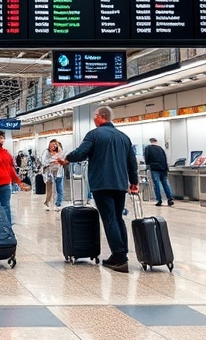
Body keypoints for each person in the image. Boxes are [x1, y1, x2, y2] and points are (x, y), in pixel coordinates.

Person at [59, 106, 139, 273]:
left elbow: (81, 153)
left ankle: (119, 257)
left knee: (109, 219)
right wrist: (134, 181)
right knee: (118, 218)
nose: (94, 119)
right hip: (120, 184)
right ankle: (122, 253)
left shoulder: (94, 134)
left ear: (101, 117)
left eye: (95, 116)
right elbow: (132, 162)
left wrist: (67, 159)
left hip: (102, 183)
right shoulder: (124, 137)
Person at [144, 138, 173, 207]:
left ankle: (159, 200)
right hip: (163, 169)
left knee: (156, 185)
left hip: (154, 168)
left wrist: (148, 165)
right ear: (156, 142)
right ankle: (170, 198)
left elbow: (147, 158)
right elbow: (165, 158)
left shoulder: (148, 148)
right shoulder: (161, 149)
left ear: (150, 142)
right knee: (165, 183)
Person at [40, 139, 65, 211]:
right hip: (49, 173)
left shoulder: (60, 152)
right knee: (49, 189)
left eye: (55, 144)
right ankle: (47, 203)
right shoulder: (46, 152)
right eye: (52, 144)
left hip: (58, 172)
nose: (54, 146)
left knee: (59, 188)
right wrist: (52, 161)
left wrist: (59, 161)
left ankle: (58, 204)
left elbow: (63, 160)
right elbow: (44, 162)